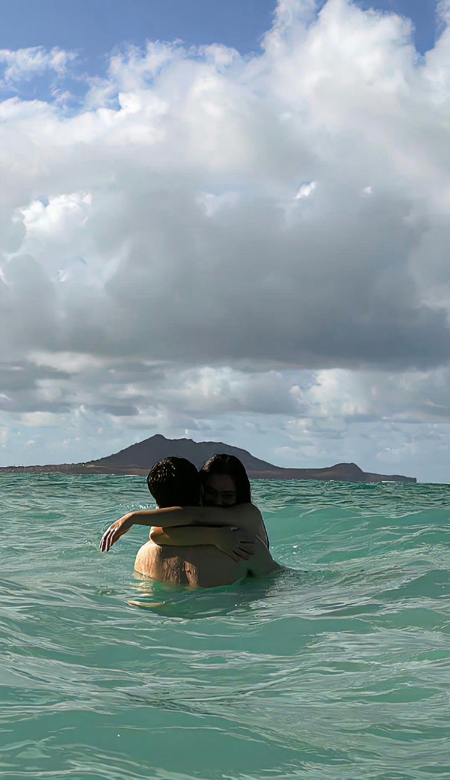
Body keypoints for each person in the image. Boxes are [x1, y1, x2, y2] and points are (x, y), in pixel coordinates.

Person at [100, 455, 279, 588]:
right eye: (210, 493)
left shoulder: (247, 516)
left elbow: (184, 520)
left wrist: (133, 517)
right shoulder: (243, 546)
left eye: (227, 495)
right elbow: (160, 531)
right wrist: (214, 536)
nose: (217, 502)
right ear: (200, 490)